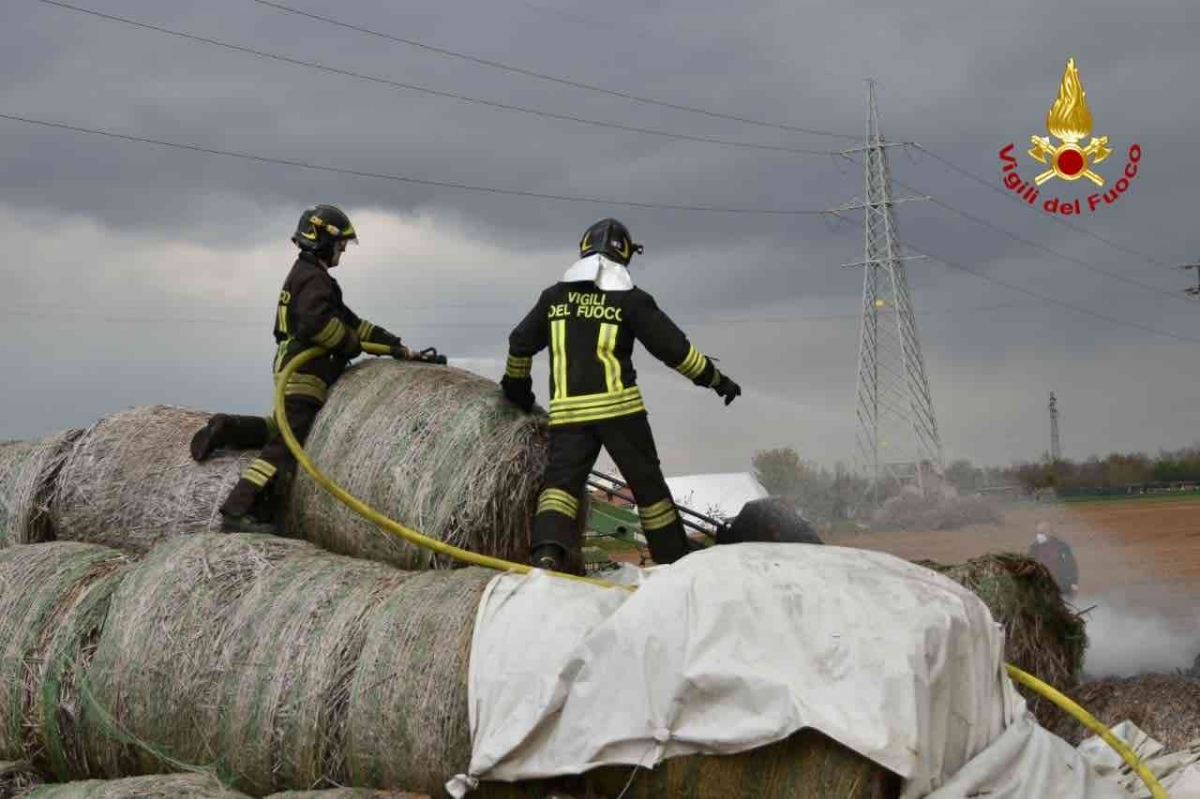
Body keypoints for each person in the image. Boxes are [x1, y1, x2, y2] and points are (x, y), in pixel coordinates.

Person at [501, 218, 741, 574]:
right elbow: (674, 350)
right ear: (625, 254)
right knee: (648, 488)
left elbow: (520, 342)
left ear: (583, 249)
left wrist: (517, 388)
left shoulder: (554, 298)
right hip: (621, 412)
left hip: (570, 415)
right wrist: (716, 380)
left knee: (560, 487)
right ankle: (673, 561)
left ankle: (546, 555)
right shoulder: (631, 300)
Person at [190, 204, 429, 532]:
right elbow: (319, 324)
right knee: (287, 444)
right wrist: (348, 344)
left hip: (291, 363)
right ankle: (238, 509)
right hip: (305, 372)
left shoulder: (306, 275)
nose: (342, 251)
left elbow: (352, 324)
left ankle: (227, 429)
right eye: (340, 244)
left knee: (279, 427)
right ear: (322, 240)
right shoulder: (314, 280)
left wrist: (397, 346)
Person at [1029, 522, 1080, 598]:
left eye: (1042, 532)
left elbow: (1071, 564)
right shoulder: (1034, 546)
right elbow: (1030, 564)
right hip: (1042, 582)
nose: (1039, 535)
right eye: (1038, 532)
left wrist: (1073, 582)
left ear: (1050, 533)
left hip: (1060, 582)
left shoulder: (1061, 546)